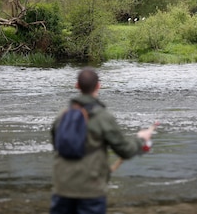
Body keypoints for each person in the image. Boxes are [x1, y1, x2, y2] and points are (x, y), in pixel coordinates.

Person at [50, 67, 154, 214]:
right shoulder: (103, 117)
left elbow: (56, 147)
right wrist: (140, 138)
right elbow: (125, 150)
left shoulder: (61, 115)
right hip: (91, 190)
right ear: (98, 86)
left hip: (62, 188)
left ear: (77, 86)